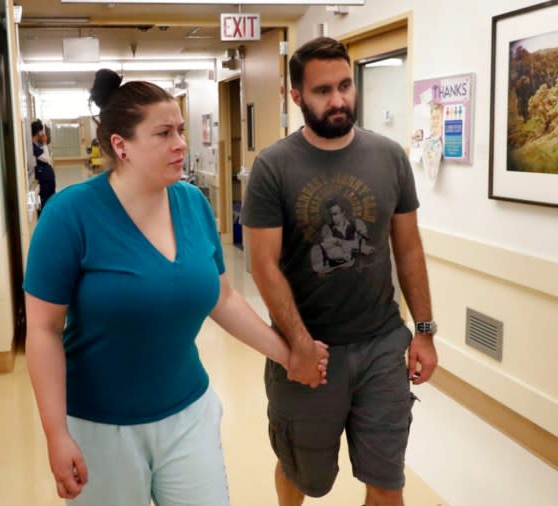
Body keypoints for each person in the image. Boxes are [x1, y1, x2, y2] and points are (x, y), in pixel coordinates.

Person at [23, 68, 329, 506]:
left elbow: (222, 298)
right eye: (164, 133)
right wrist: (56, 434)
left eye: (180, 130)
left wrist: (289, 355)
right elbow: (43, 330)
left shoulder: (192, 204)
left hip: (189, 412)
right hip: (100, 424)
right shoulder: (70, 215)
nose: (180, 143)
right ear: (120, 146)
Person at [241, 37, 438, 506]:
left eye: (345, 85)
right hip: (310, 350)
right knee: (300, 471)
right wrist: (299, 345)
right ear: (296, 97)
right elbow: (263, 265)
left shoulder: (389, 157)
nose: (338, 100)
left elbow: (408, 249)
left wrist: (425, 331)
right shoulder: (273, 167)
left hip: (382, 345)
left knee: (388, 479)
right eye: (323, 90)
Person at [31, 119, 56, 211]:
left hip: (47, 179)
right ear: (38, 132)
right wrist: (45, 143)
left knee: (50, 201)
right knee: (46, 202)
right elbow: (46, 159)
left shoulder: (36, 145)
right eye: (41, 131)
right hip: (45, 180)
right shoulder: (32, 147)